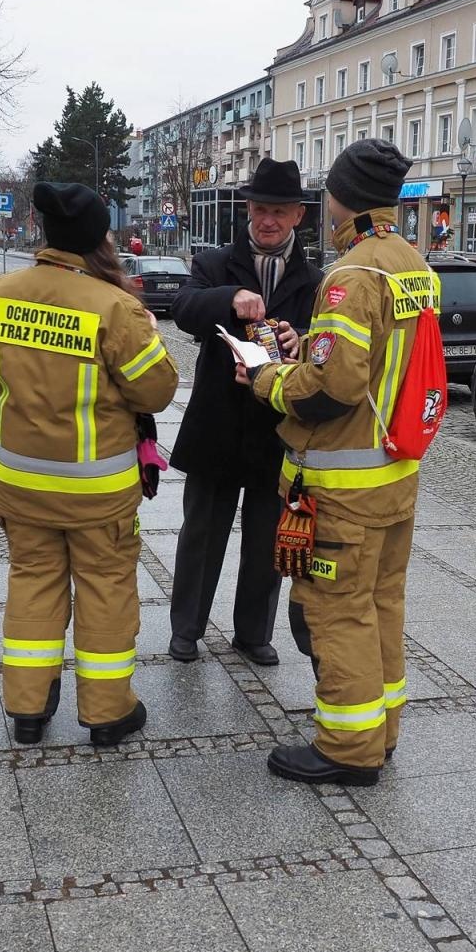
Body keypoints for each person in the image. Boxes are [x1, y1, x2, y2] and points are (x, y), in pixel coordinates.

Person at [0, 181, 179, 747]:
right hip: (97, 490)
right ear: (97, 240)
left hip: (20, 481)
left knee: (33, 582)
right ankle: (107, 711)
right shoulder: (115, 308)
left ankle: (27, 709)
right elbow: (155, 392)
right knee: (105, 587)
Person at [240, 139, 431, 787]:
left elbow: (333, 386)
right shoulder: (413, 266)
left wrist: (268, 379)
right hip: (394, 477)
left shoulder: (352, 275)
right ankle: (383, 729)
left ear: (342, 199)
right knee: (383, 604)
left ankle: (348, 748)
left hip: (345, 488)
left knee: (338, 610)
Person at [167, 159, 322, 666]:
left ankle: (252, 633)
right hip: (217, 424)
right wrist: (230, 297)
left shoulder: (314, 278)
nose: (267, 220)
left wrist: (299, 341)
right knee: (201, 538)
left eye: (278, 211)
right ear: (247, 209)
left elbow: (324, 346)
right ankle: (186, 629)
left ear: (298, 215)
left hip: (275, 431)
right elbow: (185, 308)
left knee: (265, 544)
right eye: (259, 209)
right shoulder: (215, 263)